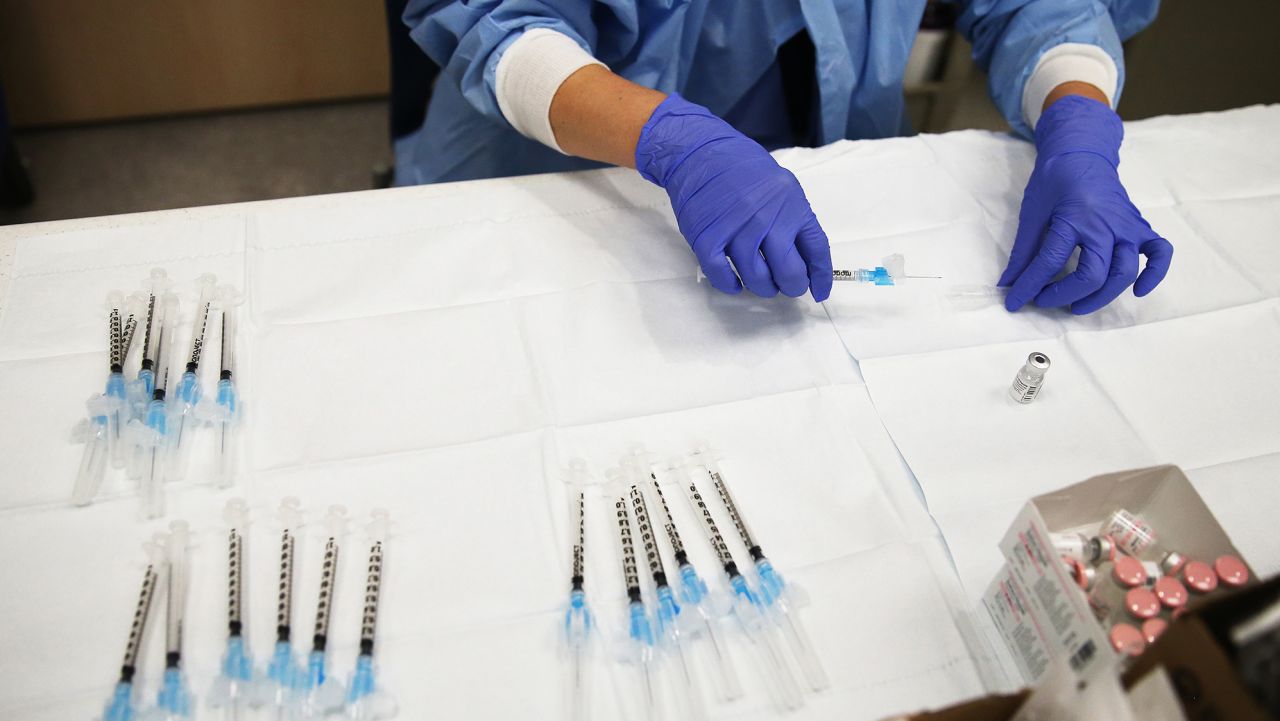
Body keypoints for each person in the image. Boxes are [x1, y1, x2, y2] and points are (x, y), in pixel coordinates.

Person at [395, 1, 1172, 315]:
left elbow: (1037, 5)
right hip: (564, 170)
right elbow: (497, 23)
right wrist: (674, 142)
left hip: (826, 157)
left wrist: (1078, 120)